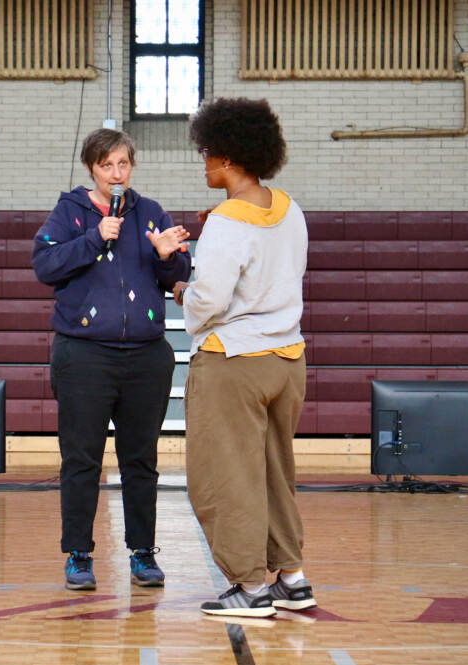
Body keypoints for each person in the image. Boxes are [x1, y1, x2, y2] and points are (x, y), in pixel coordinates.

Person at [173, 98, 317, 618]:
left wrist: (183, 292)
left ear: (229, 157)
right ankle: (292, 579)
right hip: (288, 358)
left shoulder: (227, 223)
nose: (203, 162)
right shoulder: (289, 208)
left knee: (225, 475)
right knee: (275, 471)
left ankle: (250, 589)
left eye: (207, 152)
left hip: (234, 361)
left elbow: (209, 300)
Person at [32, 128, 192, 590]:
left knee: (140, 459)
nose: (116, 174)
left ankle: (143, 553)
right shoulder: (69, 213)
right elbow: (44, 266)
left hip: (145, 355)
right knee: (81, 458)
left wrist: (167, 258)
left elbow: (176, 274)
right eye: (107, 166)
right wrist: (93, 239)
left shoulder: (151, 213)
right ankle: (79, 554)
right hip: (84, 354)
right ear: (91, 168)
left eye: (123, 164)